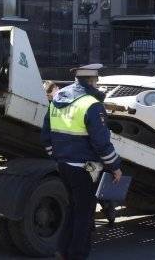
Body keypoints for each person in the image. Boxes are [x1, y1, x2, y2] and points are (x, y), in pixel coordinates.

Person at [40, 63, 122, 260]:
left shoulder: (59, 97)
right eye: (96, 80)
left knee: (73, 209)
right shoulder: (91, 104)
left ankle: (62, 250)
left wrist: (57, 156)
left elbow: (46, 135)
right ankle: (77, 255)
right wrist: (115, 167)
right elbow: (101, 143)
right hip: (85, 169)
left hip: (63, 165)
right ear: (92, 80)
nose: (97, 83)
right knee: (84, 215)